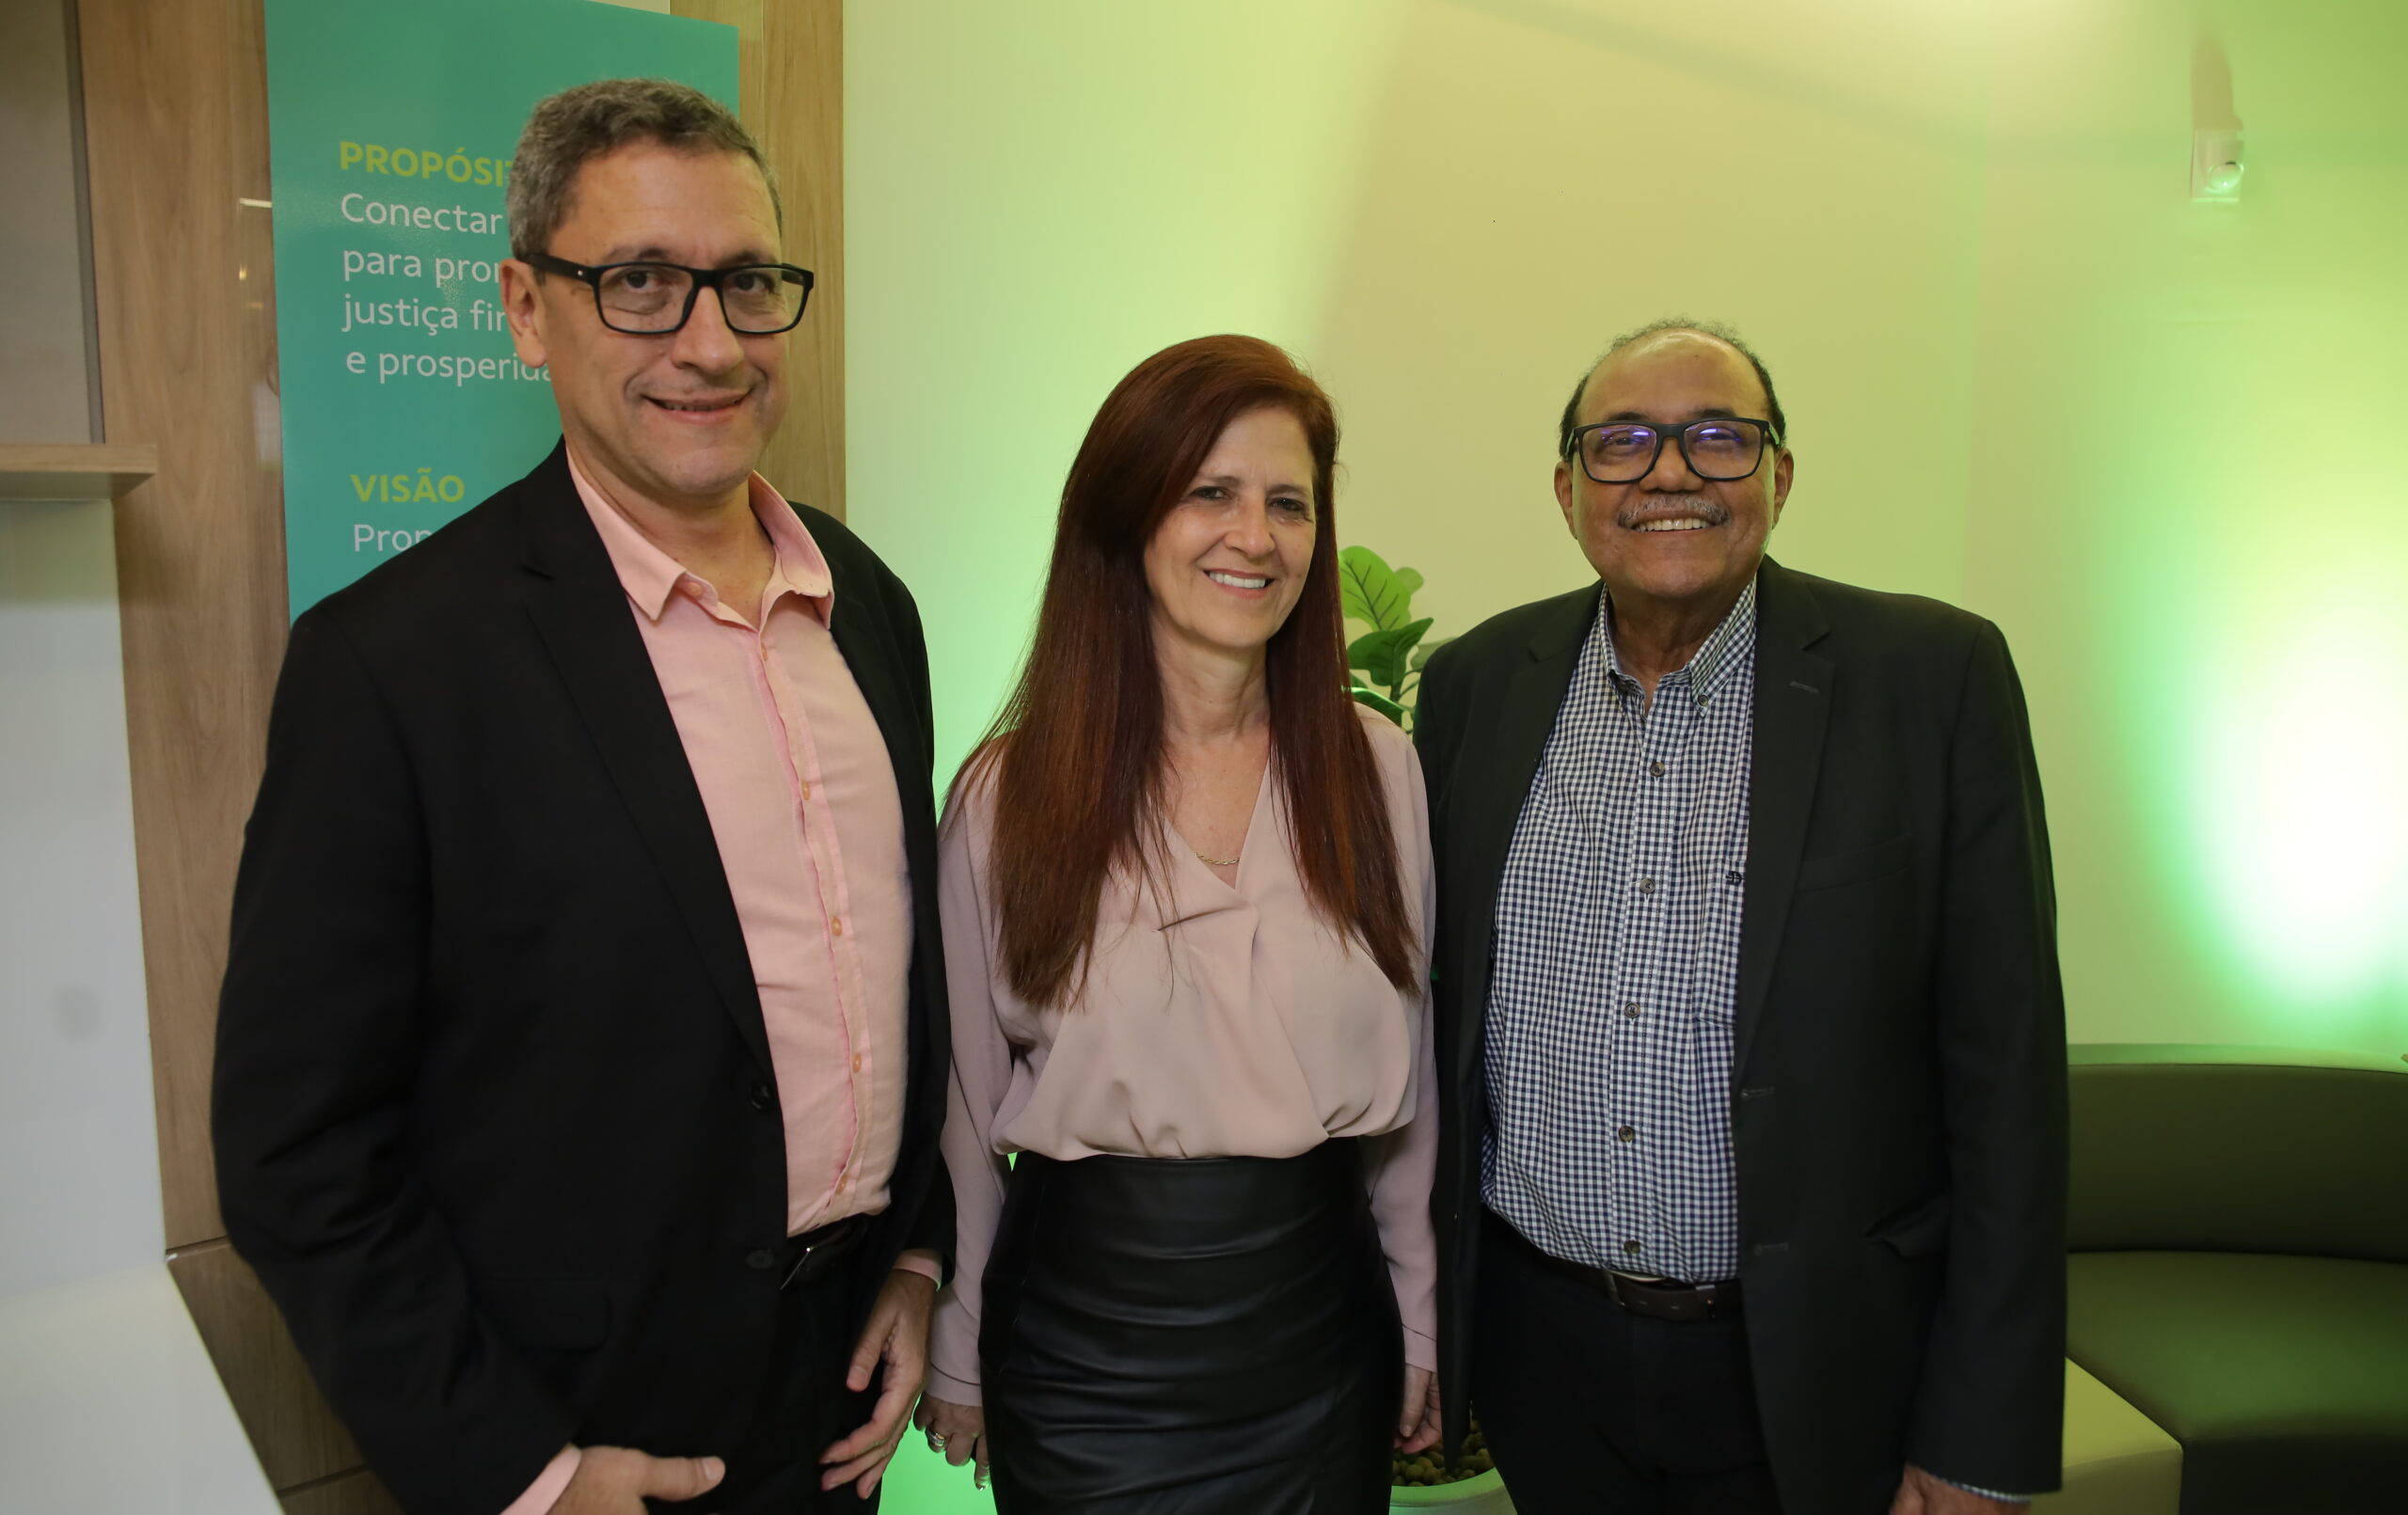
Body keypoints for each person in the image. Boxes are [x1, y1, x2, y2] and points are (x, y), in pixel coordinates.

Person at [213, 80, 952, 1515]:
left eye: (747, 282)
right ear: (526, 309)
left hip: (838, 1393)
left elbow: (899, 981)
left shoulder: (868, 601)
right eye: (641, 283)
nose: (710, 342)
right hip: (584, 1427)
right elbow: (294, 1145)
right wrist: (521, 1472)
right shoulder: (394, 663)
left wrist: (919, 1253)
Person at [1415, 321, 2066, 1515]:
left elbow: (2007, 1086)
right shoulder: (1474, 685)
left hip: (1818, 1365)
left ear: (1779, 475)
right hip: (1541, 1352)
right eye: (1622, 442)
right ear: (1567, 489)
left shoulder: (1932, 679)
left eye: (1718, 437)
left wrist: (1981, 1436)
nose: (1669, 473)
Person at [910, 336, 1443, 1512]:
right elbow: (963, 1109)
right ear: (1125, 515)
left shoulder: (1376, 768)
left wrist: (1418, 1319)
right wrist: (958, 1343)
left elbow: (1411, 1097)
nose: (1255, 536)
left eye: (1288, 504)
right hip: (1082, 1356)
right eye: (1210, 492)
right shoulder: (1006, 795)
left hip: (1320, 1340)